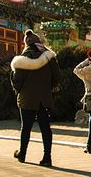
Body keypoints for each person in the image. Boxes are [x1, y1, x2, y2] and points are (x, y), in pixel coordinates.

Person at [10, 29, 60, 167]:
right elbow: (56, 78)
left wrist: (19, 90)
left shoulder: (21, 60)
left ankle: (22, 155)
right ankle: (47, 157)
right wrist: (47, 88)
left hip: (27, 98)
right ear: (38, 42)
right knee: (45, 128)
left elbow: (17, 81)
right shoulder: (49, 57)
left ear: (26, 44)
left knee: (26, 127)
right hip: (44, 99)